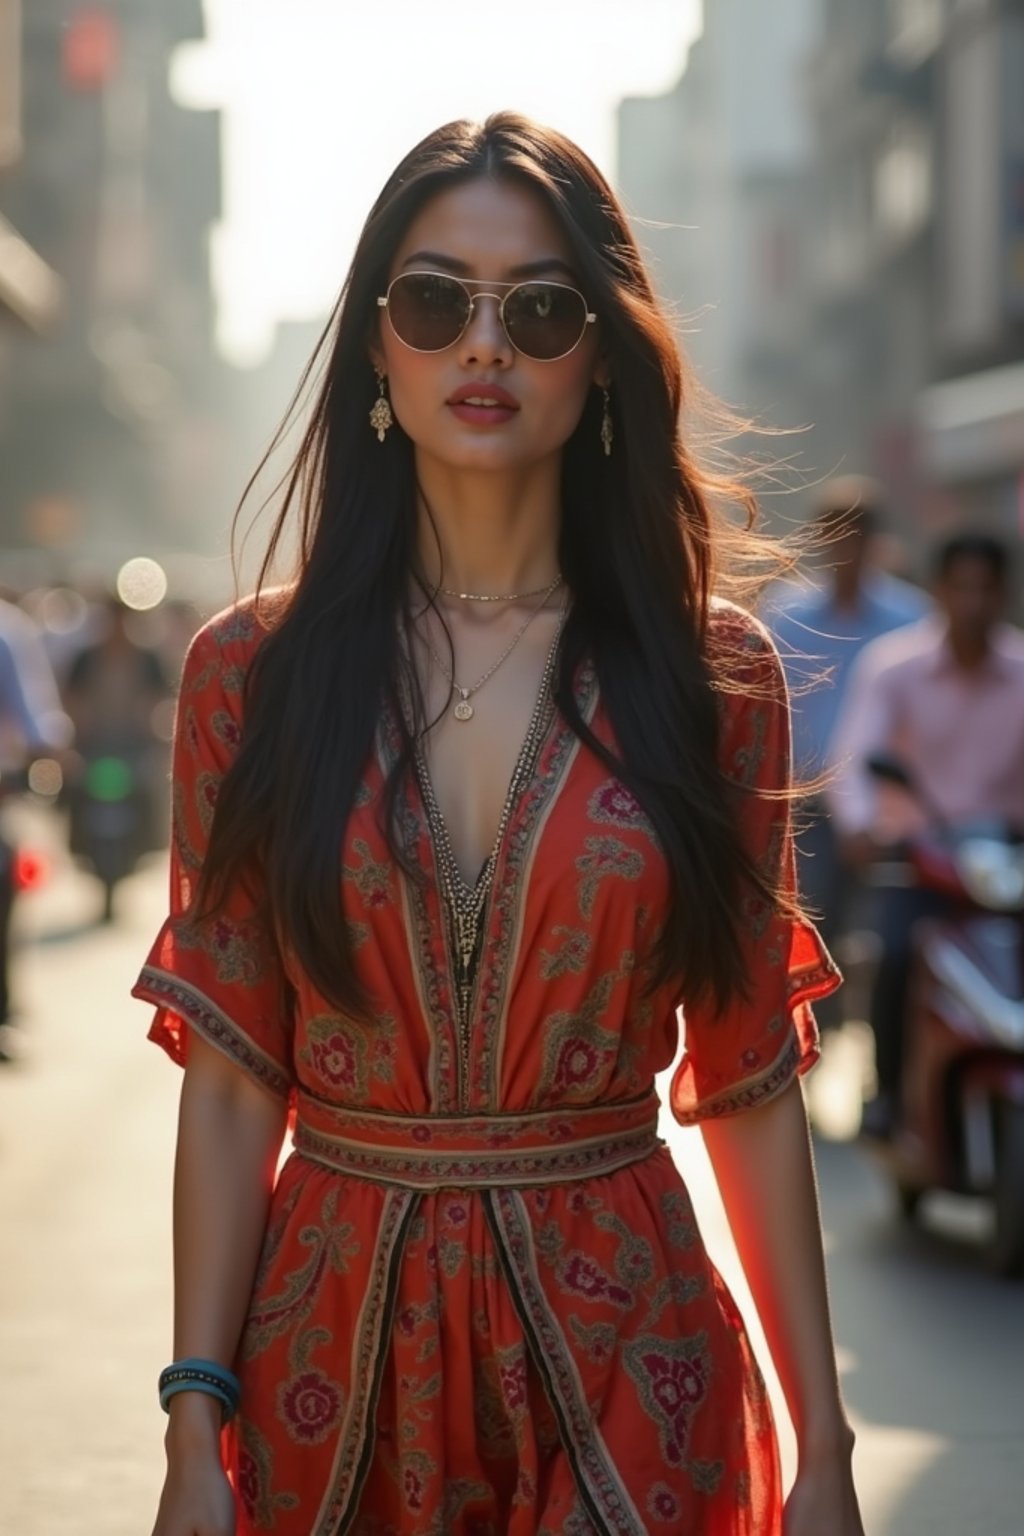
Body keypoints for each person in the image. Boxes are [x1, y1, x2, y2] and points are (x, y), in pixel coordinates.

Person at [134, 114, 864, 1536]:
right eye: (432, 302)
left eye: (539, 310)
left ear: (600, 357)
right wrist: (190, 1431)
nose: (484, 346)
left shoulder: (712, 678)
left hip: (629, 1358)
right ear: (376, 351)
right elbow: (230, 1081)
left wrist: (826, 1449)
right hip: (328, 1364)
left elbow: (750, 1078)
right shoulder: (251, 677)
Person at [828, 531, 1024, 1137]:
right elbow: (856, 758)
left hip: (1008, 862)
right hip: (924, 861)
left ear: (1004, 593)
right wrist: (862, 827)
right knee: (891, 952)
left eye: (985, 588)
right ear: (938, 590)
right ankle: (886, 1095)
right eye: (960, 586)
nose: (972, 602)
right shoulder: (895, 667)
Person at [763, 478, 930, 1020]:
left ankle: (881, 1056)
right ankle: (819, 1041)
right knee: (812, 926)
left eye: (857, 536)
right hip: (806, 804)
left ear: (874, 542)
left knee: (889, 933)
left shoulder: (912, 619)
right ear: (820, 539)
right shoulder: (784, 616)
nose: (846, 549)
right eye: (836, 536)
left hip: (887, 808)